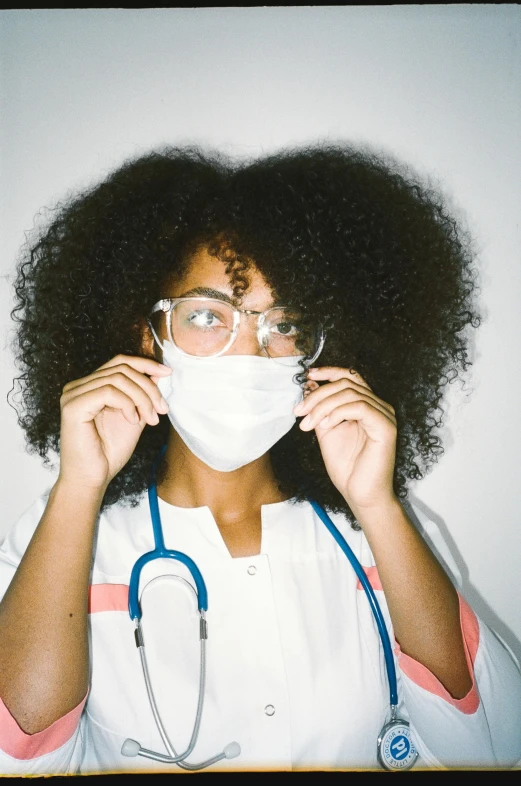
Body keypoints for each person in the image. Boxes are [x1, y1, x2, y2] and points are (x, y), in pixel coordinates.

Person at [0, 144, 520, 775]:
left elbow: (492, 745)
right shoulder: (66, 533)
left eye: (284, 323)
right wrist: (79, 486)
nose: (248, 352)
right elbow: (20, 758)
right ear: (148, 334)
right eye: (205, 316)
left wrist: (377, 506)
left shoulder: (380, 529)